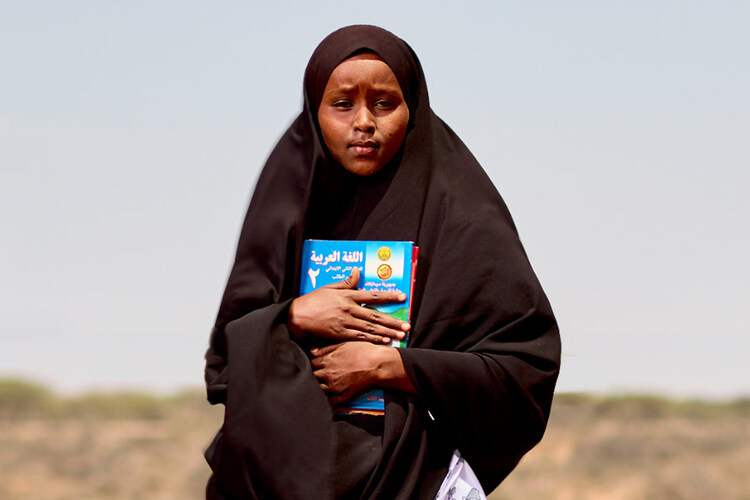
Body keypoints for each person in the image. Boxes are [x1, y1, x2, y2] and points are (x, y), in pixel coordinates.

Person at [204, 25, 560, 499]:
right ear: (315, 110)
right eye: (343, 104)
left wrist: (388, 366)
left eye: (385, 103)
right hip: (281, 477)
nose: (364, 122)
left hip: (411, 476)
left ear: (412, 110)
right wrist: (293, 316)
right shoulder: (286, 207)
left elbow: (524, 369)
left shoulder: (463, 215)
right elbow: (226, 364)